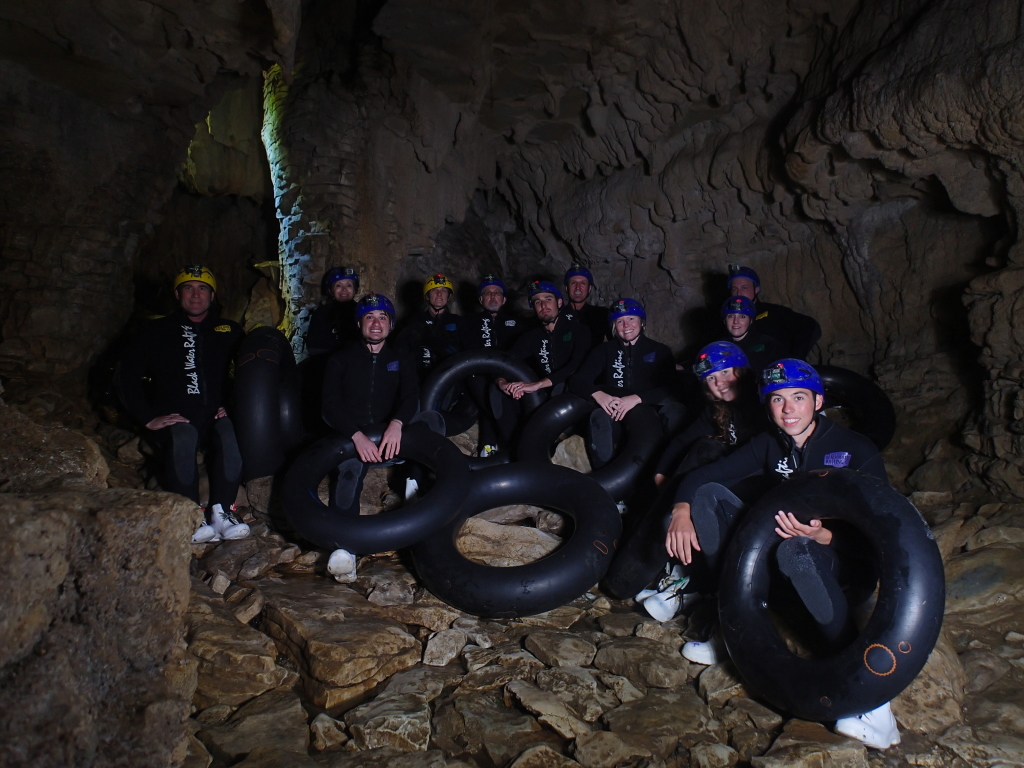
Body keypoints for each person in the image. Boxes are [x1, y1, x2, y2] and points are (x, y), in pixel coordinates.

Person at [665, 358, 897, 750]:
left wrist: (826, 535)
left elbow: (884, 530)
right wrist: (680, 510)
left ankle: (877, 706)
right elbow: (703, 478)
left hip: (842, 563)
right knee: (707, 499)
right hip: (781, 554)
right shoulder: (768, 444)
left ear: (818, 401)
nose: (788, 409)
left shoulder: (855, 449)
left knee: (796, 552)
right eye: (777, 400)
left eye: (798, 397)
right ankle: (733, 628)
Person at [117, 265, 249, 543]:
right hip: (176, 415)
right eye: (188, 287)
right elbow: (126, 376)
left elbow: (250, 376)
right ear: (177, 294)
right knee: (183, 435)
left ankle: (222, 513)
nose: (196, 294)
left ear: (212, 296)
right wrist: (147, 417)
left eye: (203, 288)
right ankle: (191, 516)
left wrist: (235, 406)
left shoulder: (230, 331)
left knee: (228, 433)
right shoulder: (155, 330)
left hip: (216, 412)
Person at [320, 293, 418, 581]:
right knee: (348, 473)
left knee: (429, 430)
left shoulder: (401, 356)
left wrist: (397, 423)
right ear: (360, 323)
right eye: (370, 317)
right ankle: (344, 549)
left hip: (391, 434)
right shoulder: (340, 359)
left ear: (391, 324)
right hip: (355, 437)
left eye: (382, 318)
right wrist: (356, 435)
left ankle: (417, 506)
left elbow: (412, 396)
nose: (376, 324)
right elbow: (329, 406)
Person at [569, 298, 681, 466]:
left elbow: (672, 387)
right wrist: (599, 395)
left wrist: (637, 398)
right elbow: (577, 380)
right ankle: (606, 477)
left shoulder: (659, 350)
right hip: (616, 412)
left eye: (631, 318)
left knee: (677, 411)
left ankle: (671, 471)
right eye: (620, 321)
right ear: (614, 326)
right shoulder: (604, 350)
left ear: (641, 322)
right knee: (598, 416)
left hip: (650, 415)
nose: (626, 325)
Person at [653, 341, 765, 486]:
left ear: (741, 370)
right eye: (711, 378)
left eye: (724, 372)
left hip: (754, 479)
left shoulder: (764, 405)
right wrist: (661, 473)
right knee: (706, 447)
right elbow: (683, 441)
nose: (719, 382)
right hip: (722, 475)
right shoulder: (717, 409)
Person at [460, 275, 525, 456]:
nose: (493, 296)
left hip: (509, 375)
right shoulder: (468, 322)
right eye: (487, 293)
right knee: (491, 396)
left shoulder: (518, 324)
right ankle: (509, 448)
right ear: (481, 300)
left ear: (504, 299)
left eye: (497, 293)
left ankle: (490, 445)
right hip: (478, 375)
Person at [728, 266, 821, 358]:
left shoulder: (774, 312)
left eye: (744, 288)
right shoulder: (727, 320)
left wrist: (794, 361)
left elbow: (809, 326)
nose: (738, 293)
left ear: (756, 289)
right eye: (734, 289)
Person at [397, 273, 463, 380]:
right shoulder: (414, 322)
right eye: (434, 290)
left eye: (443, 291)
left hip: (450, 377)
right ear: (427, 296)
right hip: (420, 377)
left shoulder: (458, 322)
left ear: (449, 296)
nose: (439, 294)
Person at [720, 296, 788, 373]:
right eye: (730, 316)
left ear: (751, 321)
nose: (736, 321)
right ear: (724, 320)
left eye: (742, 317)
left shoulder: (769, 345)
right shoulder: (719, 347)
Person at [305, 267, 360, 356]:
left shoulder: (363, 312)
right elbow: (314, 347)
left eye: (349, 285)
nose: (344, 289)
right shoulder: (321, 314)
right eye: (338, 285)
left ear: (355, 290)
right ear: (331, 290)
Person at [562, 263, 608, 348]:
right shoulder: (557, 316)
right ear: (566, 288)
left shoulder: (602, 315)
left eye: (582, 283)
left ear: (589, 288)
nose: (578, 288)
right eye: (573, 283)